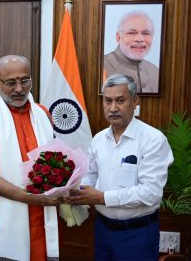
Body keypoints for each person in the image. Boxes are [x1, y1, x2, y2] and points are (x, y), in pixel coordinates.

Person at [65, 74, 173, 260]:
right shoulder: (98, 139)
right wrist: (73, 190)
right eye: (108, 101)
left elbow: (150, 193)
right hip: (102, 229)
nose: (113, 108)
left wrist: (102, 198)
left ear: (135, 101)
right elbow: (90, 176)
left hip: (137, 233)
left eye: (120, 100)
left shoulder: (153, 140)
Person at [0, 55, 61, 261]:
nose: (19, 89)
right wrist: (27, 197)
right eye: (11, 82)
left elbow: (53, 161)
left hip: (39, 222)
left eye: (25, 81)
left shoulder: (42, 114)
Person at [104, 11, 159, 93]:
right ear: (118, 38)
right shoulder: (101, 66)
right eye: (132, 33)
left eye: (146, 33)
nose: (140, 39)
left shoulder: (156, 72)